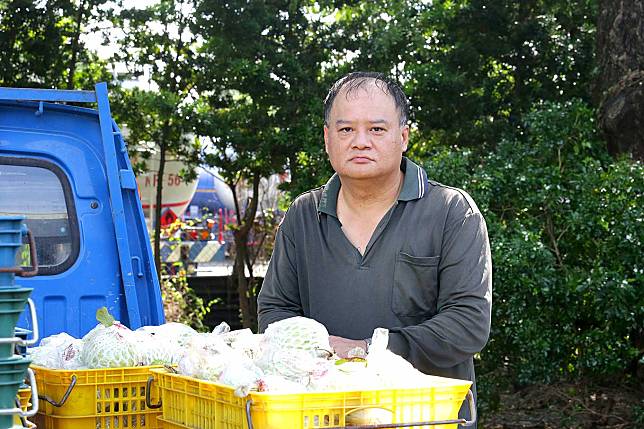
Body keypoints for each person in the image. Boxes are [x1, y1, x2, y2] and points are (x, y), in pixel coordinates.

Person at [257, 71, 492, 426]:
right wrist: (318, 354)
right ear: (327, 138)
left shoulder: (450, 211)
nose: (360, 141)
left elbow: (468, 323)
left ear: (404, 136)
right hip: (323, 415)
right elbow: (275, 311)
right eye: (346, 129)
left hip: (423, 418)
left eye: (377, 129)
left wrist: (364, 350)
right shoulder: (304, 215)